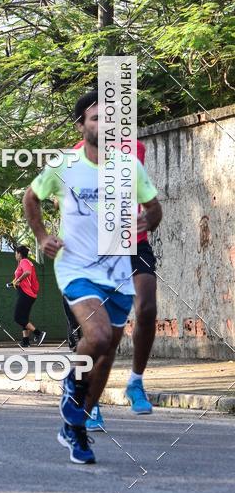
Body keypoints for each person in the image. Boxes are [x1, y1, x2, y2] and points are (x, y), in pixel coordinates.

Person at [23, 91, 162, 465]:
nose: (106, 123)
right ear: (81, 125)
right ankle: (72, 385)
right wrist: (41, 236)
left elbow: (153, 207)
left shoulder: (132, 158)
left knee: (106, 351)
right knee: (97, 336)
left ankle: (78, 424)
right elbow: (32, 198)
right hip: (79, 263)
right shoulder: (66, 163)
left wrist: (147, 220)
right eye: (96, 117)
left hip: (123, 258)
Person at [71, 138, 159, 428]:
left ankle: (135, 382)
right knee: (103, 336)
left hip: (135, 244)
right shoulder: (78, 151)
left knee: (146, 309)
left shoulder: (137, 148)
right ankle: (88, 400)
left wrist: (149, 216)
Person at [10, 245, 45, 347]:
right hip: (27, 293)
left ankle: (39, 333)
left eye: (16, 253)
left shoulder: (24, 262)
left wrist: (18, 280)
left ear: (19, 254)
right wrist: (14, 282)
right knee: (24, 318)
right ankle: (25, 341)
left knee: (18, 318)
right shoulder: (26, 262)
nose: (15, 255)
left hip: (26, 294)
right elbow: (24, 277)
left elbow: (27, 272)